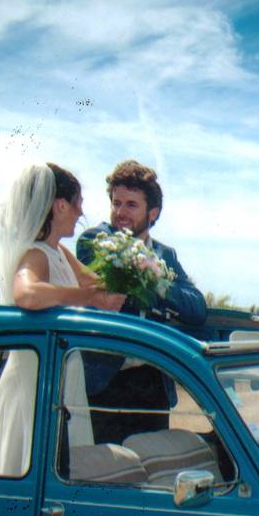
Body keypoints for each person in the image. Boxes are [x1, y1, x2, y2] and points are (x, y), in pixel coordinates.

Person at [0, 163, 125, 476]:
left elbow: (96, 287)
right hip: (35, 381)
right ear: (60, 206)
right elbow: (27, 293)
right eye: (78, 203)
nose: (81, 213)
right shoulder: (35, 254)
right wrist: (86, 299)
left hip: (60, 376)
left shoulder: (59, 252)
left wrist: (132, 272)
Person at [76, 160, 207, 443]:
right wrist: (145, 277)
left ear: (153, 212)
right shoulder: (94, 241)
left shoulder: (166, 255)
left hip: (153, 383)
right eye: (116, 203)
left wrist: (158, 280)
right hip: (106, 382)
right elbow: (119, 291)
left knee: (154, 466)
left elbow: (197, 308)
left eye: (131, 205)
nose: (120, 212)